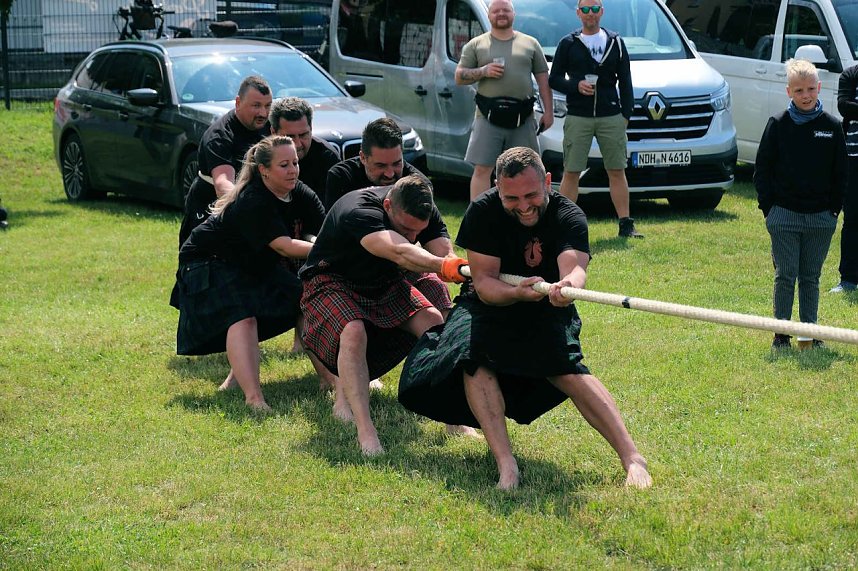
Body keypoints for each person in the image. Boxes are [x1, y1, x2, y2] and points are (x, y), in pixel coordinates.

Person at [398, 146, 652, 491]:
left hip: (548, 302)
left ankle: (633, 459)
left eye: (531, 194)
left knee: (566, 368)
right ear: (498, 189)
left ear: (547, 181)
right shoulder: (483, 211)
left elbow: (574, 266)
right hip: (486, 304)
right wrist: (517, 293)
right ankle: (506, 464)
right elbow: (485, 283)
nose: (523, 205)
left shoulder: (568, 214)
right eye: (511, 198)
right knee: (474, 359)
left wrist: (567, 286)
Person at [299, 175, 477, 454]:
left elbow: (444, 254)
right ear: (388, 206)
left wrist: (456, 266)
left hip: (384, 282)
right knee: (353, 330)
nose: (414, 237)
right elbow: (400, 250)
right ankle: (365, 431)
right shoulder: (358, 210)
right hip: (332, 282)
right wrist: (444, 266)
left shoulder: (422, 208)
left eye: (419, 231)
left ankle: (452, 417)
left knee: (433, 321)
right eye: (406, 228)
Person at [175, 135, 326, 411]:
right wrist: (328, 250)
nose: (293, 169)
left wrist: (334, 242)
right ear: (264, 170)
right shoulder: (253, 199)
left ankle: (329, 380)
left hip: (249, 263)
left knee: (305, 298)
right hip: (206, 261)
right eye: (284, 165)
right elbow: (284, 245)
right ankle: (254, 399)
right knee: (243, 317)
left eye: (295, 162)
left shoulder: (299, 191)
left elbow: (327, 228)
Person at [754, 59, 846, 349]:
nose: (806, 95)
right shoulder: (778, 124)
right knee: (785, 275)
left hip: (820, 218)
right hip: (784, 216)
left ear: (819, 88)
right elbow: (762, 170)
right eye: (799, 91)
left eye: (810, 89)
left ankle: (809, 333)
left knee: (810, 277)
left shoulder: (832, 127)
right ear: (788, 92)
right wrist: (770, 210)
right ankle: (781, 333)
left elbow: (841, 174)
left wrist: (832, 211)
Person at [548, 0, 642, 238]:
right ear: (578, 13)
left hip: (611, 115)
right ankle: (565, 225)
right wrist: (575, 85)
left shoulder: (616, 42)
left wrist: (626, 114)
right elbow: (554, 78)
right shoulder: (568, 42)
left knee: (617, 169)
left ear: (602, 12)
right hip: (579, 114)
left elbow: (627, 81)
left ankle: (625, 224)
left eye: (595, 9)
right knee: (571, 170)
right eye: (586, 10)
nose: (591, 14)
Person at [455, 0, 553, 201]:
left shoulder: (530, 43)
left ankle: (535, 213)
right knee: (483, 169)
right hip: (487, 116)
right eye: (496, 10)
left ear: (513, 14)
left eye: (506, 10)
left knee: (530, 168)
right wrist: (483, 71)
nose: (501, 14)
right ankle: (479, 219)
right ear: (489, 15)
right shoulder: (476, 44)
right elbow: (459, 76)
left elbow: (544, 80)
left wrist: (548, 112)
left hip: (523, 117)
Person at [177, 75, 272, 248]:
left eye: (267, 106)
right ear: (238, 103)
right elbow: (223, 185)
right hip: (211, 209)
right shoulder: (220, 136)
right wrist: (254, 207)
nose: (263, 113)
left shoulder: (269, 126)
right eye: (256, 105)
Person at [324, 117, 421, 211]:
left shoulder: (417, 183)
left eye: (396, 164)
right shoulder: (342, 177)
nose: (390, 174)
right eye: (381, 166)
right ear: (363, 158)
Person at [269, 96, 340, 200]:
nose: (297, 144)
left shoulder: (327, 158)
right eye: (290, 137)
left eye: (303, 135)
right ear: (273, 132)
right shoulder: (259, 157)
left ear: (311, 128)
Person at [830, 63, 858, 293]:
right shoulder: (850, 75)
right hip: (854, 158)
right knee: (853, 219)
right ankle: (848, 279)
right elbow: (843, 106)